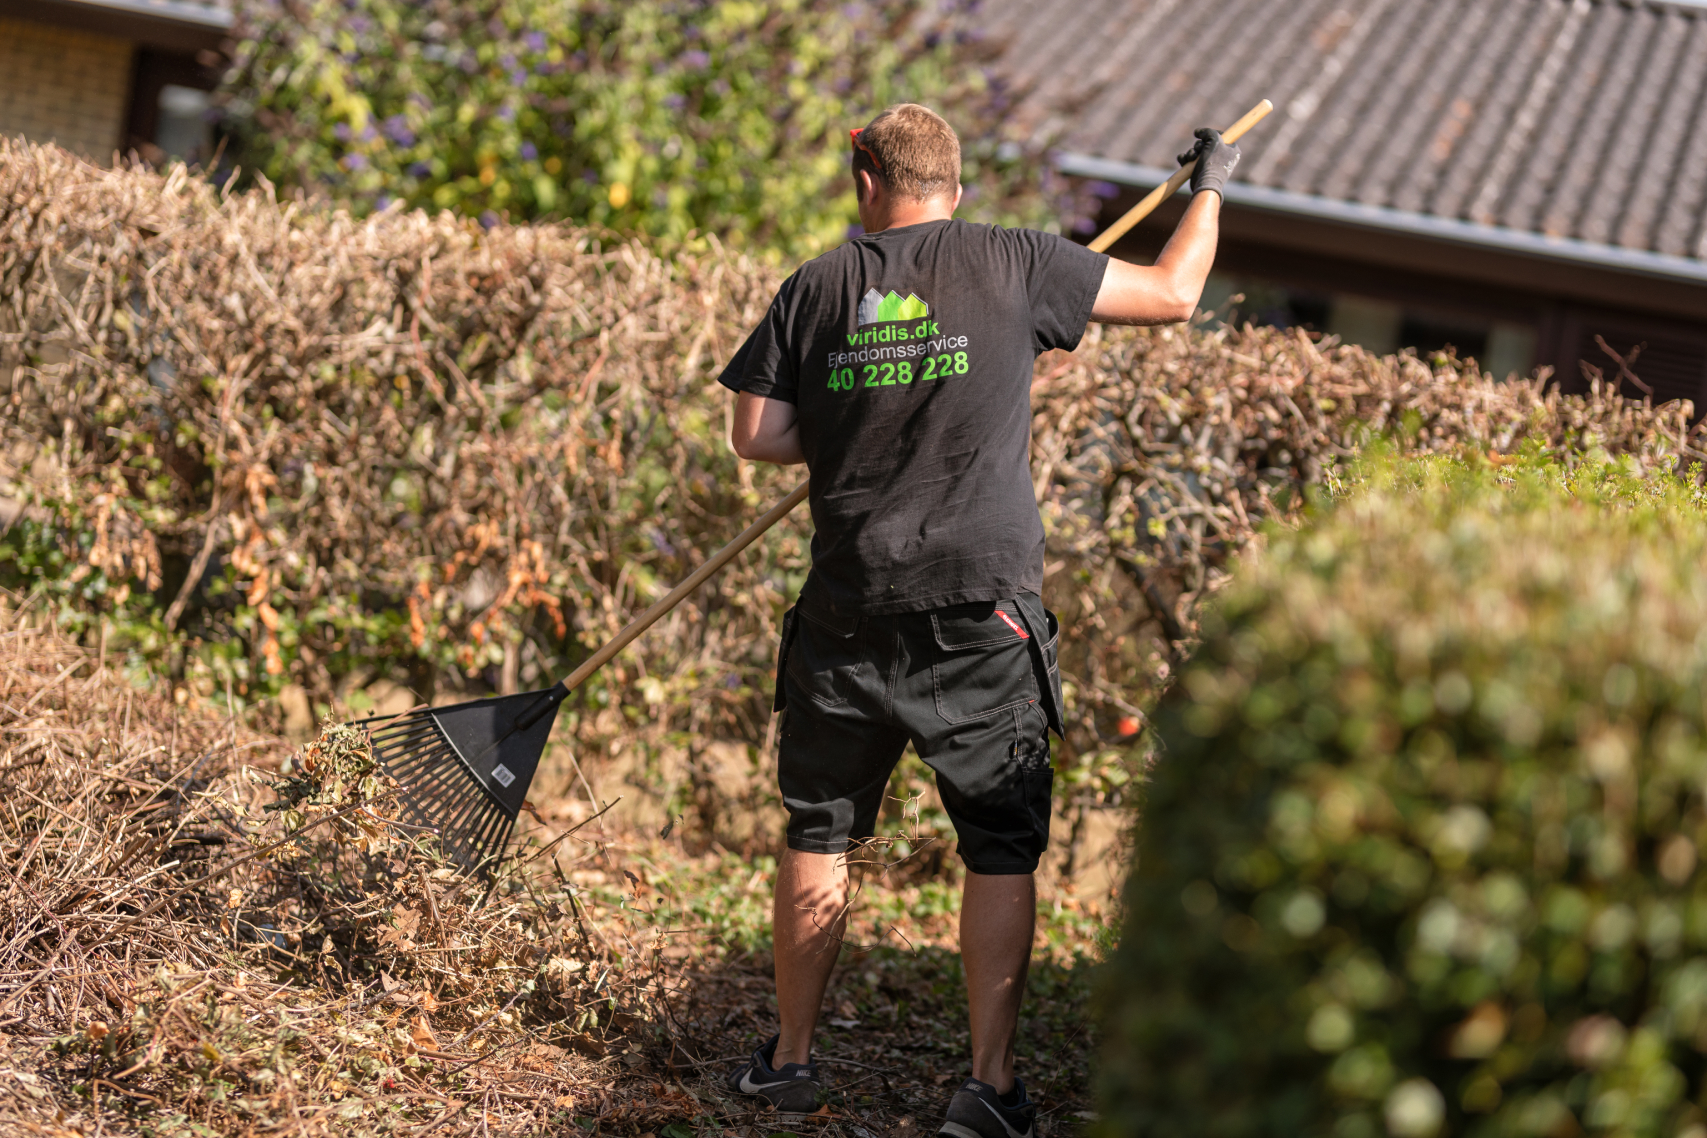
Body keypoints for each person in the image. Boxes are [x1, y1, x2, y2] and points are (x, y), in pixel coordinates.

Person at [717, 103, 1236, 1138]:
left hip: (849, 606)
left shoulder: (819, 286)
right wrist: (1210, 183)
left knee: (821, 831)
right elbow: (1177, 295)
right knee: (999, 846)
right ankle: (988, 1090)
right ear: (955, 186)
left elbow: (756, 435)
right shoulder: (1017, 264)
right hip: (981, 608)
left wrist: (855, 418)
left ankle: (790, 1060)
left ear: (866, 179)